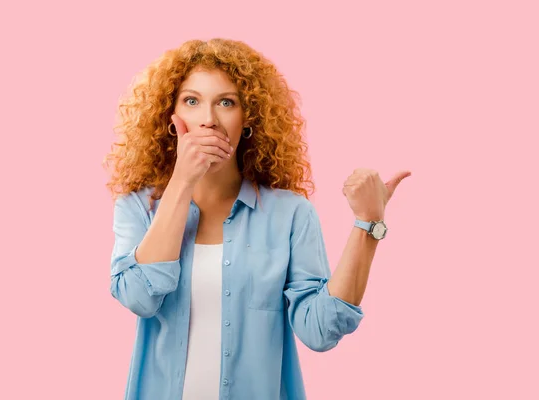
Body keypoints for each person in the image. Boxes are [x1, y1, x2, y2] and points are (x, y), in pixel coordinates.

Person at [103, 38, 411, 400]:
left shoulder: (290, 214)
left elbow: (320, 330)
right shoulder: (138, 208)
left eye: (226, 102)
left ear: (247, 117)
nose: (208, 120)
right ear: (172, 119)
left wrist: (368, 225)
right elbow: (139, 297)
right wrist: (182, 181)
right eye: (192, 101)